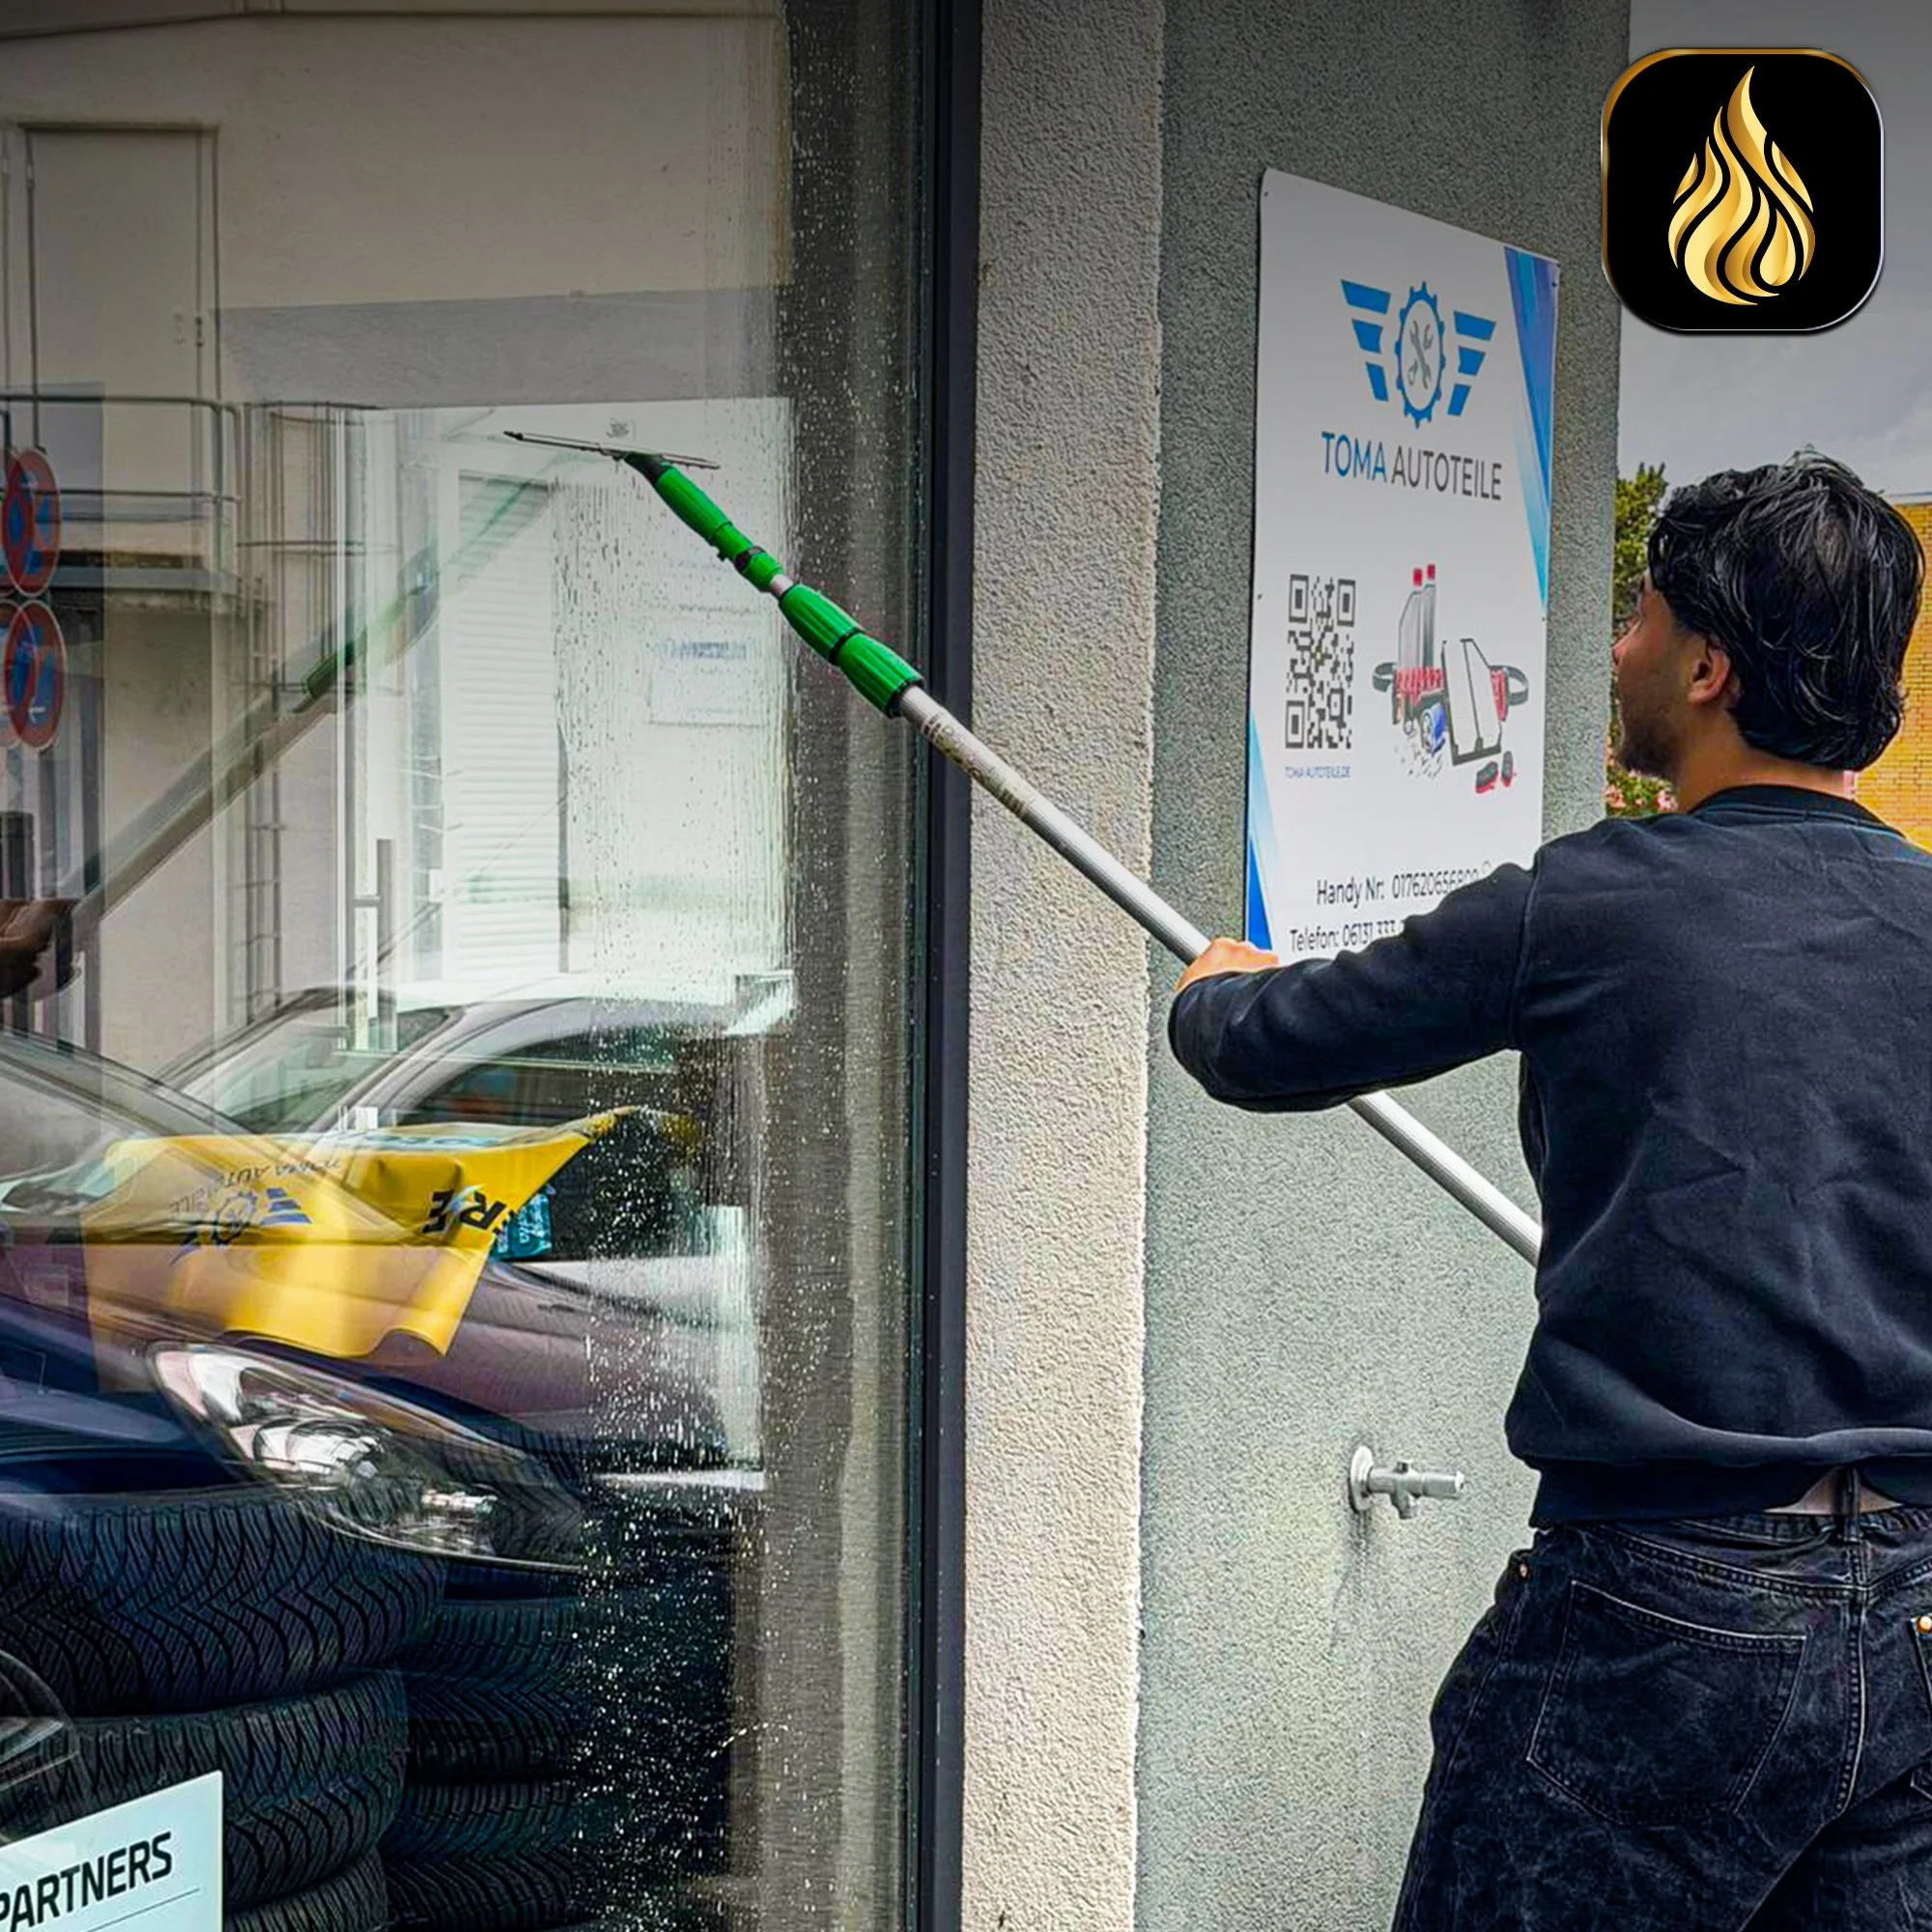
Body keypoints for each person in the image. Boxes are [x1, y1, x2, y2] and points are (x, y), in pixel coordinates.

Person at [1168, 454, 1932, 1930]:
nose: (1620, 647)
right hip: (1909, 1602)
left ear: (1710, 666)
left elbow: (1269, 1048)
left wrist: (1214, 988)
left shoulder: (1587, 902)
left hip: (1664, 1614)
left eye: (1641, 617)